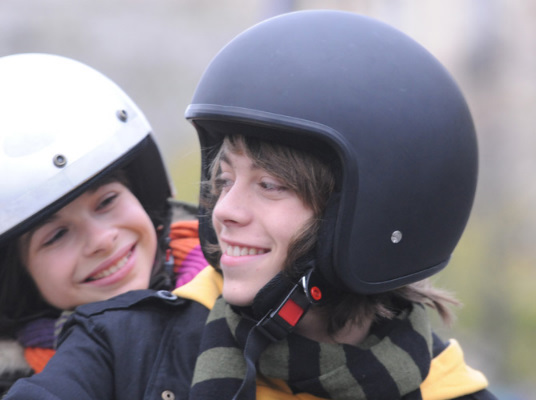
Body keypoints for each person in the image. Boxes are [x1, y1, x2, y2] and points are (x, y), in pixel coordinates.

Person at [182, 10, 498, 400]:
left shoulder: (452, 390)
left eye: (269, 185)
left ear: (375, 214)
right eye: (224, 181)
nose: (224, 211)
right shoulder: (129, 343)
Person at [0, 53, 207, 399]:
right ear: (15, 279)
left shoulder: (263, 297)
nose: (101, 240)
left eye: (107, 201)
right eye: (57, 235)